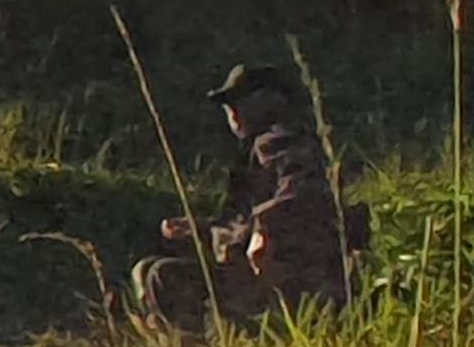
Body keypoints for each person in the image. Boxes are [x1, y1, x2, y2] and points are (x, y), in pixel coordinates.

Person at [135, 64, 357, 329]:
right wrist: (205, 229)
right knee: (148, 270)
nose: (234, 113)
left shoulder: (277, 140)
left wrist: (264, 228)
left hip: (293, 280)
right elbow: (245, 223)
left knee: (163, 275)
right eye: (229, 105)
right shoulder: (262, 148)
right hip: (274, 274)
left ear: (271, 101)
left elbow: (301, 192)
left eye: (242, 101)